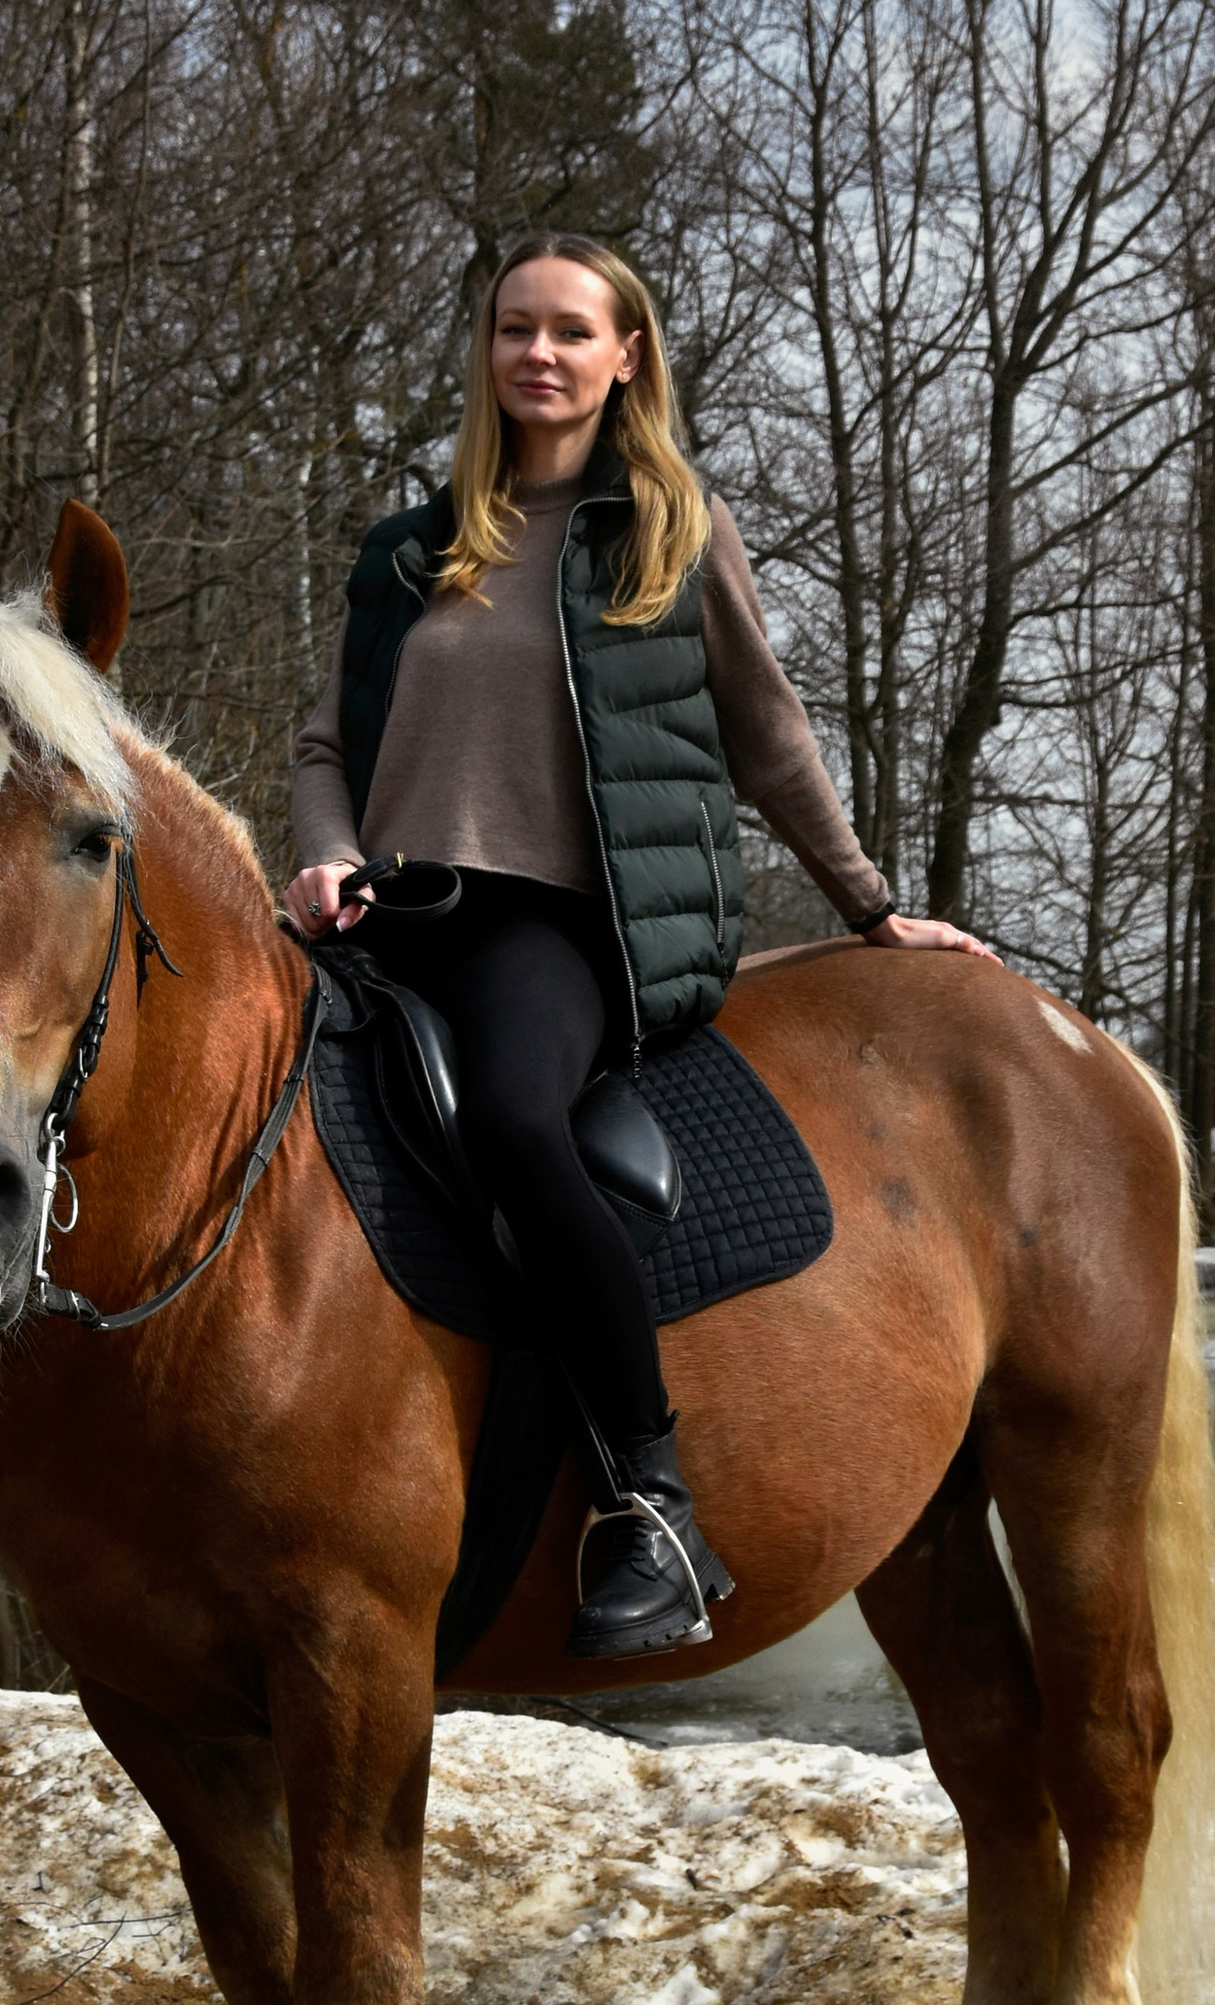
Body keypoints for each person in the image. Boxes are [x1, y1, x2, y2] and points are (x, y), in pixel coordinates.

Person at [287, 233, 988, 1660]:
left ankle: (647, 1500)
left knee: (517, 1130)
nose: (536, 354)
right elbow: (323, 744)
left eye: (568, 331)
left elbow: (768, 735)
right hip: (387, 923)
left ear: (626, 356)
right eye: (511, 330)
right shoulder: (406, 554)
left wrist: (866, 905)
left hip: (559, 923)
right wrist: (328, 848)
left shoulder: (670, 530)